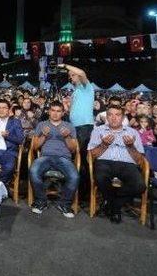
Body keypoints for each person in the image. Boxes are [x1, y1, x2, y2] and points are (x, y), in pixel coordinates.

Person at [88, 106, 146, 224]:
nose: (114, 118)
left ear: (123, 117)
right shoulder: (98, 131)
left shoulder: (133, 132)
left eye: (117, 115)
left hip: (127, 164)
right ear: (107, 117)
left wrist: (131, 147)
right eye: (110, 115)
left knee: (140, 185)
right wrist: (103, 145)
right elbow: (91, 156)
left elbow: (140, 160)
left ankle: (112, 204)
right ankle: (116, 209)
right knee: (100, 178)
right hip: (104, 162)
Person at [29, 101, 78, 218]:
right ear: (49, 111)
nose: (55, 114)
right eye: (53, 111)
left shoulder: (69, 126)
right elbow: (35, 147)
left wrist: (66, 137)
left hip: (64, 158)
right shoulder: (42, 125)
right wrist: (44, 136)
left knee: (74, 176)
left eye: (58, 111)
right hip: (45, 156)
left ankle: (65, 204)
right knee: (33, 171)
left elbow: (73, 149)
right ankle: (41, 201)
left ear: (63, 113)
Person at [58, 63, 94, 199]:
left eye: (72, 75)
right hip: (75, 128)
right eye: (70, 76)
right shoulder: (76, 91)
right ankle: (76, 189)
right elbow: (73, 111)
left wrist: (65, 65)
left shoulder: (87, 87)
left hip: (84, 127)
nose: (70, 77)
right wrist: (66, 108)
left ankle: (84, 193)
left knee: (82, 159)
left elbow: (82, 72)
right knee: (75, 157)